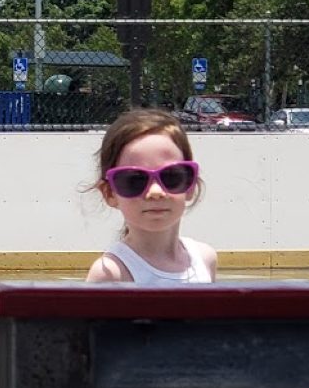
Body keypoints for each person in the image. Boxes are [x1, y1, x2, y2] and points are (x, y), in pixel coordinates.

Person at [86, 108, 217, 284]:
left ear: (190, 184)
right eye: (134, 181)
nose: (155, 192)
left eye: (171, 177)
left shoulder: (205, 258)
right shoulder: (111, 273)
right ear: (110, 193)